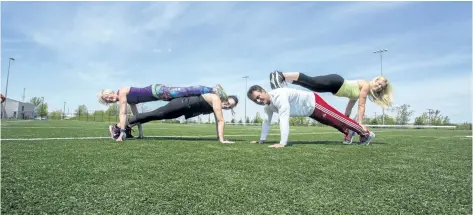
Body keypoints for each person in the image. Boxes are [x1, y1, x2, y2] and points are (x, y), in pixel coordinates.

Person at [269, 70, 392, 143]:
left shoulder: (359, 91)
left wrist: (346, 122)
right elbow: (361, 105)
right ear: (375, 80)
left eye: (381, 87)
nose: (379, 86)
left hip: (334, 87)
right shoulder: (365, 85)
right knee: (311, 81)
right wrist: (360, 123)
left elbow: (350, 106)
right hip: (337, 82)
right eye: (378, 83)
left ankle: (284, 79)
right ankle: (280, 74)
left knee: (311, 85)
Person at [247, 85, 375, 148]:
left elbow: (284, 118)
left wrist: (282, 143)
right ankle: (348, 132)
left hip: (314, 103)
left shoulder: (280, 96)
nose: (258, 100)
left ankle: (365, 133)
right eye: (255, 100)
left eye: (259, 96)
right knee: (331, 122)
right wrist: (262, 140)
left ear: (263, 91)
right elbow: (266, 122)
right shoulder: (267, 106)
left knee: (337, 117)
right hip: (309, 112)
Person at [98, 84, 228, 140]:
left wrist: (121, 134)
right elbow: (137, 117)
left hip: (157, 91)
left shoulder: (122, 93)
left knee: (186, 90)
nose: (109, 99)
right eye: (107, 100)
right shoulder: (128, 99)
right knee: (185, 95)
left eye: (108, 96)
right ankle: (116, 129)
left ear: (110, 92)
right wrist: (141, 134)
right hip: (160, 94)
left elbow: (123, 113)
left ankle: (213, 89)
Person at [108, 93, 239, 143]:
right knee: (156, 114)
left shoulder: (217, 105)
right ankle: (118, 126)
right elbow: (221, 120)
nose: (227, 106)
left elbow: (218, 121)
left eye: (229, 106)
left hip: (183, 109)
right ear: (224, 98)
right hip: (182, 104)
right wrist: (221, 140)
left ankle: (127, 126)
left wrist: (218, 137)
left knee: (155, 116)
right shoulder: (216, 98)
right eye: (228, 102)